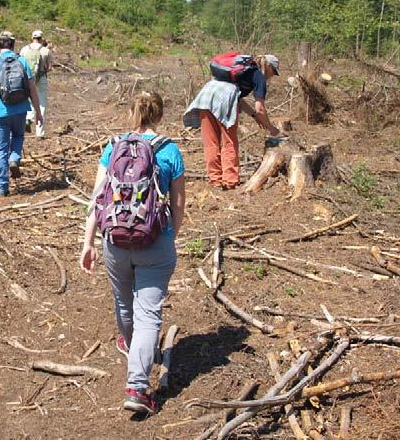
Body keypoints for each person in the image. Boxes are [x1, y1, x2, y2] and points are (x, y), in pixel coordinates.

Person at [80, 92, 185, 415]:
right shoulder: (170, 150)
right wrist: (169, 235)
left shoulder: (114, 147)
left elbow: (97, 199)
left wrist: (88, 242)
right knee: (148, 314)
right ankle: (137, 387)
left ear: (132, 113)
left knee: (125, 303)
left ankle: (131, 345)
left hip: (115, 242)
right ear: (160, 115)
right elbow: (178, 203)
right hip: (155, 240)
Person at [183, 53, 281, 189]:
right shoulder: (258, 75)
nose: (272, 75)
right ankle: (230, 181)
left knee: (211, 142)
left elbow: (241, 100)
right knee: (229, 141)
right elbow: (260, 109)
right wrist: (271, 128)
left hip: (207, 93)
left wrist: (253, 116)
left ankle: (215, 180)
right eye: (274, 71)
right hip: (225, 97)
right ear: (268, 66)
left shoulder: (242, 70)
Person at [0, 31, 43, 196]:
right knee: (18, 137)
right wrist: (37, 112)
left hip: (0, 112)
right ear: (13, 45)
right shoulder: (22, 61)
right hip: (21, 109)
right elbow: (32, 90)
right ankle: (14, 158)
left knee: (1, 148)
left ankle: (2, 187)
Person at [20, 29, 53, 138]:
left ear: (32, 38)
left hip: (27, 80)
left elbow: (20, 65)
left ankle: (28, 119)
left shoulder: (24, 50)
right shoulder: (46, 51)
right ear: (41, 38)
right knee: (42, 105)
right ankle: (40, 133)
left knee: (29, 101)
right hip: (41, 79)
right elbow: (49, 68)